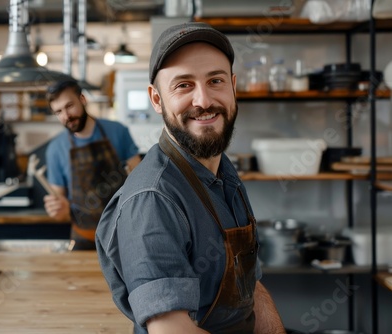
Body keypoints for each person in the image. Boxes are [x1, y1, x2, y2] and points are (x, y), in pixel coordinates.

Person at [95, 22, 286, 333]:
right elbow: (172, 329)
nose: (203, 100)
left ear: (233, 87)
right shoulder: (153, 198)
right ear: (156, 100)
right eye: (183, 85)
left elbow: (251, 287)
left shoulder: (222, 171)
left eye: (215, 81)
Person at [44, 74, 141, 250]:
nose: (66, 116)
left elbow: (140, 179)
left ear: (83, 99)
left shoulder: (117, 131)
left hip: (126, 236)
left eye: (69, 106)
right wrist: (59, 210)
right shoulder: (55, 149)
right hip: (83, 240)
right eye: (58, 112)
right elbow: (60, 211)